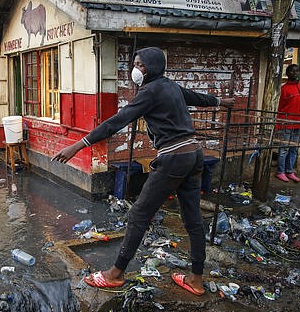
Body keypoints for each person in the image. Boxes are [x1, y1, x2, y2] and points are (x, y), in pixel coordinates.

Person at [52, 47, 235, 295]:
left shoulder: (149, 91)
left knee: (139, 214)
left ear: (150, 68)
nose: (135, 69)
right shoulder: (170, 86)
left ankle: (115, 273)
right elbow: (195, 97)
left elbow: (116, 122)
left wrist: (78, 145)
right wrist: (220, 102)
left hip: (173, 158)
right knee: (193, 221)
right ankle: (196, 279)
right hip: (194, 154)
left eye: (140, 64)